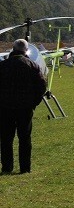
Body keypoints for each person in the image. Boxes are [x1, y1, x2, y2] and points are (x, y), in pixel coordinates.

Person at [0, 39, 47, 174]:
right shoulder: (32, 66)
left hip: (5, 108)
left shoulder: (3, 66)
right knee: (25, 138)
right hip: (25, 108)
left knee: (6, 139)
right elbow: (42, 86)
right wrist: (34, 102)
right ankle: (25, 168)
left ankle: (7, 167)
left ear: (13, 49)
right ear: (25, 50)